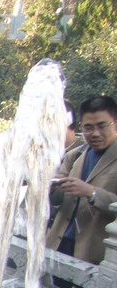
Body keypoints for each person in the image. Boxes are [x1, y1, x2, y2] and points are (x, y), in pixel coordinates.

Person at [46, 95, 117, 265]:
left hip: (94, 252)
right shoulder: (74, 155)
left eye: (102, 126)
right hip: (58, 243)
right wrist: (51, 188)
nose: (95, 133)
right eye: (88, 127)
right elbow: (57, 201)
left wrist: (92, 193)